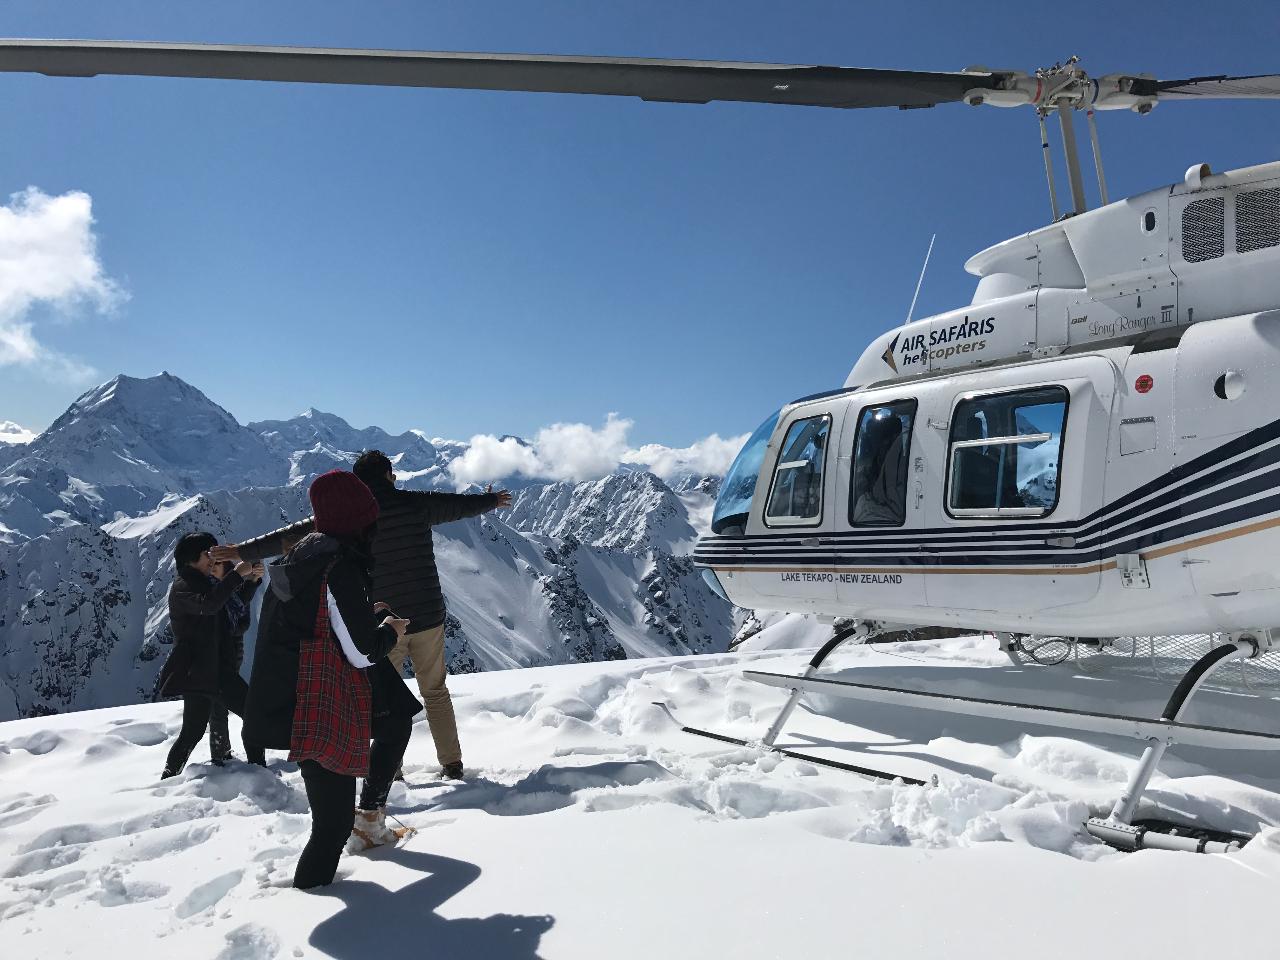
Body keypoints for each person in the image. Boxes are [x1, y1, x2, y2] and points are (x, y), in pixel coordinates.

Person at [223, 449, 511, 781]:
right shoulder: (416, 504)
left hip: (381, 621)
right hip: (427, 614)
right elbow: (456, 506)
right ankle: (452, 762)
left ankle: (391, 772)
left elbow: (294, 533)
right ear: (389, 474)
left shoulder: (349, 518)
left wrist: (242, 550)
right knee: (435, 691)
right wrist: (490, 501)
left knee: (383, 702)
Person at [242, 469, 421, 889]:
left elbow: (322, 620)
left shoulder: (304, 554)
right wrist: (390, 629)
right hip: (321, 704)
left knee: (395, 722)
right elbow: (361, 653)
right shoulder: (337, 566)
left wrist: (364, 612)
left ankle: (368, 815)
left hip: (298, 695)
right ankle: (308, 903)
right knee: (331, 827)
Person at [156, 532, 266, 778]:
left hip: (210, 671)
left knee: (245, 716)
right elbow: (210, 605)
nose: (212, 559)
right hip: (202, 672)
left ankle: (170, 777)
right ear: (190, 558)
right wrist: (237, 574)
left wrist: (250, 581)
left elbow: (230, 611)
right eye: (207, 553)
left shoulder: (206, 583)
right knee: (249, 715)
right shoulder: (184, 586)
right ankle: (258, 772)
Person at [207, 558, 264, 764]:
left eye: (217, 564)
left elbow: (241, 622)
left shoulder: (228, 594)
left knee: (225, 710)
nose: (212, 567)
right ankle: (241, 759)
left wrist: (252, 580)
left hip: (228, 659)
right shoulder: (211, 593)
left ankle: (224, 757)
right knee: (231, 709)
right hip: (220, 663)